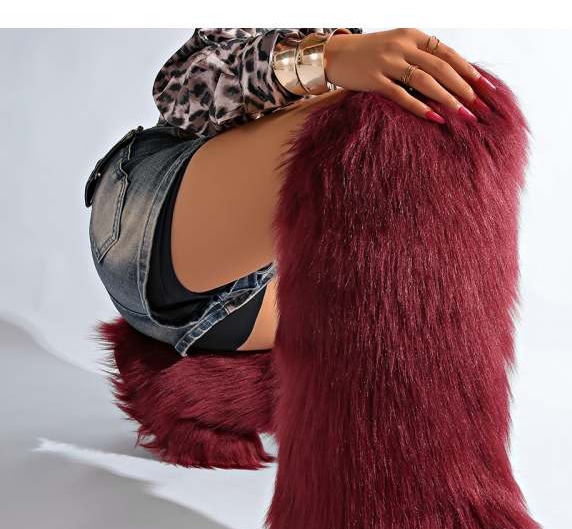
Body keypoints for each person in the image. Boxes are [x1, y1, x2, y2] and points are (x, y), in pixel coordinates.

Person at [84, 28, 497, 356]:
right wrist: (327, 58)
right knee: (380, 113)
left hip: (241, 302)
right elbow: (180, 90)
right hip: (146, 216)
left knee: (410, 302)